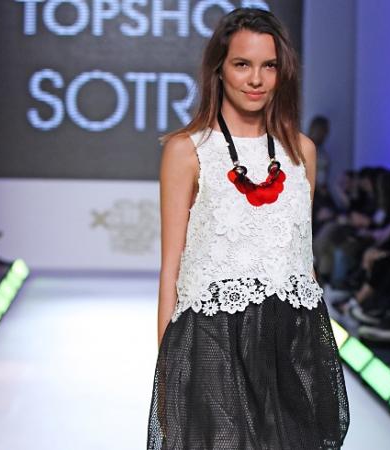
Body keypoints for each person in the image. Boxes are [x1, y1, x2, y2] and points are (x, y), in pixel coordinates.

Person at [146, 8, 350, 449]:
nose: (256, 79)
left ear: (282, 72)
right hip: (213, 341)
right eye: (242, 64)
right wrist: (166, 376)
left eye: (268, 65)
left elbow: (300, 257)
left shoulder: (301, 152)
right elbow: (171, 270)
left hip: (292, 339)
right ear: (219, 69)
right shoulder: (188, 150)